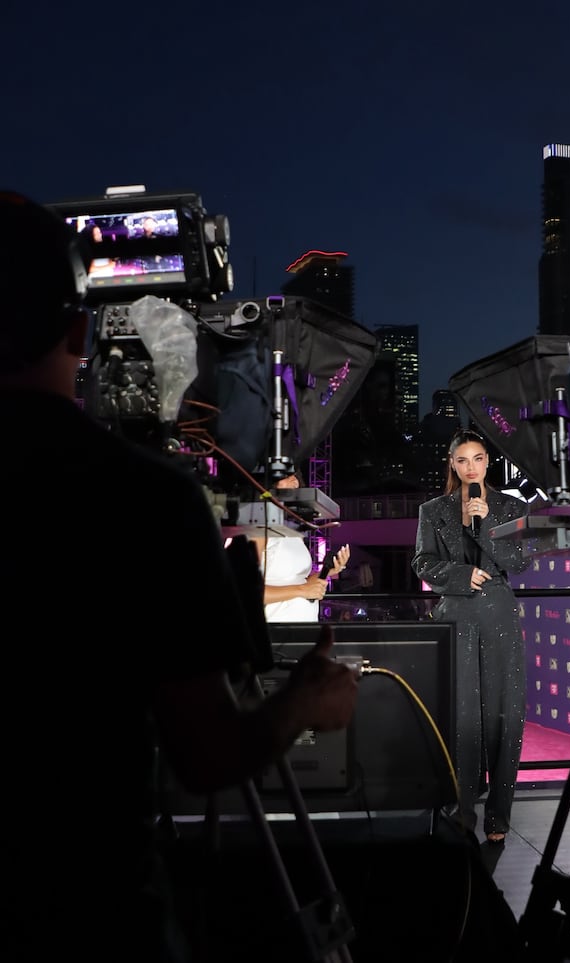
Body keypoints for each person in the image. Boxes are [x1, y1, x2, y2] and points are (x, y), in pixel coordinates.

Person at [0, 190, 359, 962]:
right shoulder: (144, 499)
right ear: (78, 328)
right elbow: (208, 756)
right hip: (87, 909)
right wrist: (305, 699)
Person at [412, 428, 531, 845]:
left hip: (499, 612)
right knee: (461, 716)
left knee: (504, 714)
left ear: (487, 461)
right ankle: (462, 810)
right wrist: (462, 575)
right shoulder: (434, 509)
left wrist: (485, 531)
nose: (470, 467)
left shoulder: (509, 506)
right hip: (456, 613)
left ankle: (499, 816)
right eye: (462, 460)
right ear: (451, 463)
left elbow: (520, 561)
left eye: (478, 458)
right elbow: (422, 562)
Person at [252, 471, 350, 622]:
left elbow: (299, 580)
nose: (294, 480)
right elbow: (245, 592)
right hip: (275, 630)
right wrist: (302, 590)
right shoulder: (258, 528)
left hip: (304, 630)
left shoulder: (292, 530)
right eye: (286, 476)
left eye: (296, 476)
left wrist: (328, 571)